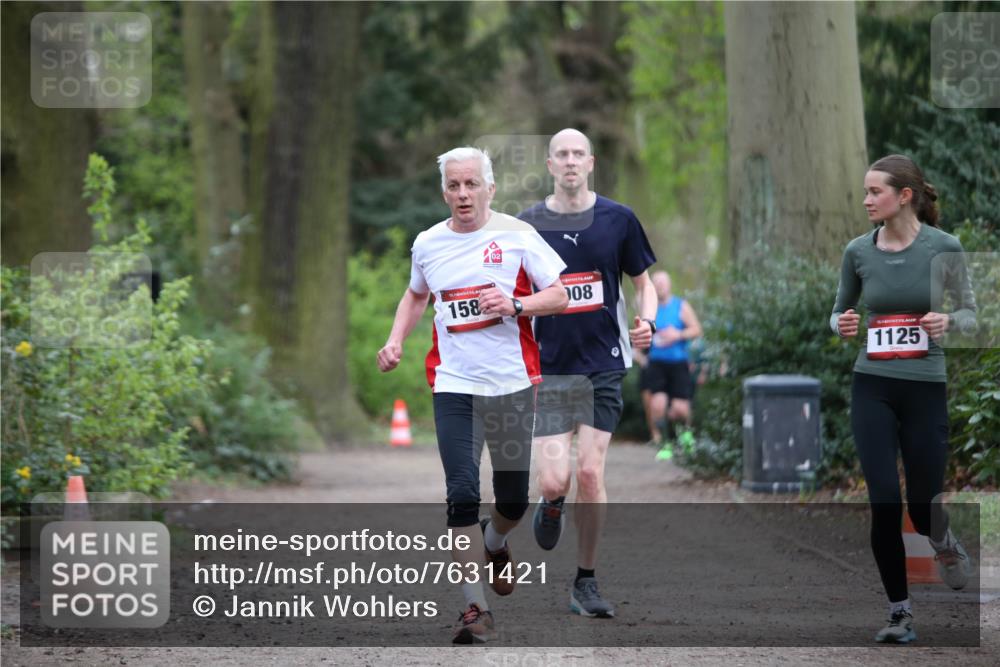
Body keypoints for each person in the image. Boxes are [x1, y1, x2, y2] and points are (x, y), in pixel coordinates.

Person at [377, 147, 568, 644]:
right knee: (461, 493)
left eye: (471, 185)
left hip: (510, 385)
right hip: (455, 385)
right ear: (444, 192)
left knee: (512, 500)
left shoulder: (518, 236)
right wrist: (396, 338)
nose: (463, 194)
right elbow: (417, 294)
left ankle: (495, 540)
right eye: (454, 186)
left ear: (490, 188)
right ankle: (474, 609)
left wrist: (517, 303)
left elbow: (561, 294)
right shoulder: (428, 243)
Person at [831, 154, 976, 645]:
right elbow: (838, 312)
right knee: (884, 502)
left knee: (922, 505)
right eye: (866, 192)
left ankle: (941, 540)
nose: (867, 200)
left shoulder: (945, 247)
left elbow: (975, 316)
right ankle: (899, 612)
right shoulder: (858, 251)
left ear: (904, 196)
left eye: (876, 192)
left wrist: (950, 322)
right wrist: (843, 323)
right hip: (872, 385)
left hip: (924, 387)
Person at [518, 128, 657, 619]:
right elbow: (508, 292)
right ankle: (551, 502)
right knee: (555, 480)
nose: (571, 162)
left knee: (591, 472)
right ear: (550, 164)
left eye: (579, 154)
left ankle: (585, 582)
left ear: (591, 162)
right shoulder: (527, 225)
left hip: (603, 364)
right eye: (562, 155)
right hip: (550, 369)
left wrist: (648, 321)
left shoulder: (618, 219)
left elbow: (644, 284)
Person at [633, 270, 703, 460]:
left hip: (678, 362)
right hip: (657, 363)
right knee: (657, 405)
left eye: (663, 283)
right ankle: (666, 444)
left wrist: (678, 335)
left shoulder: (681, 306)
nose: (660, 286)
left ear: (669, 285)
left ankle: (686, 435)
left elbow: (697, 329)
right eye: (656, 283)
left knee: (680, 408)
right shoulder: (649, 309)